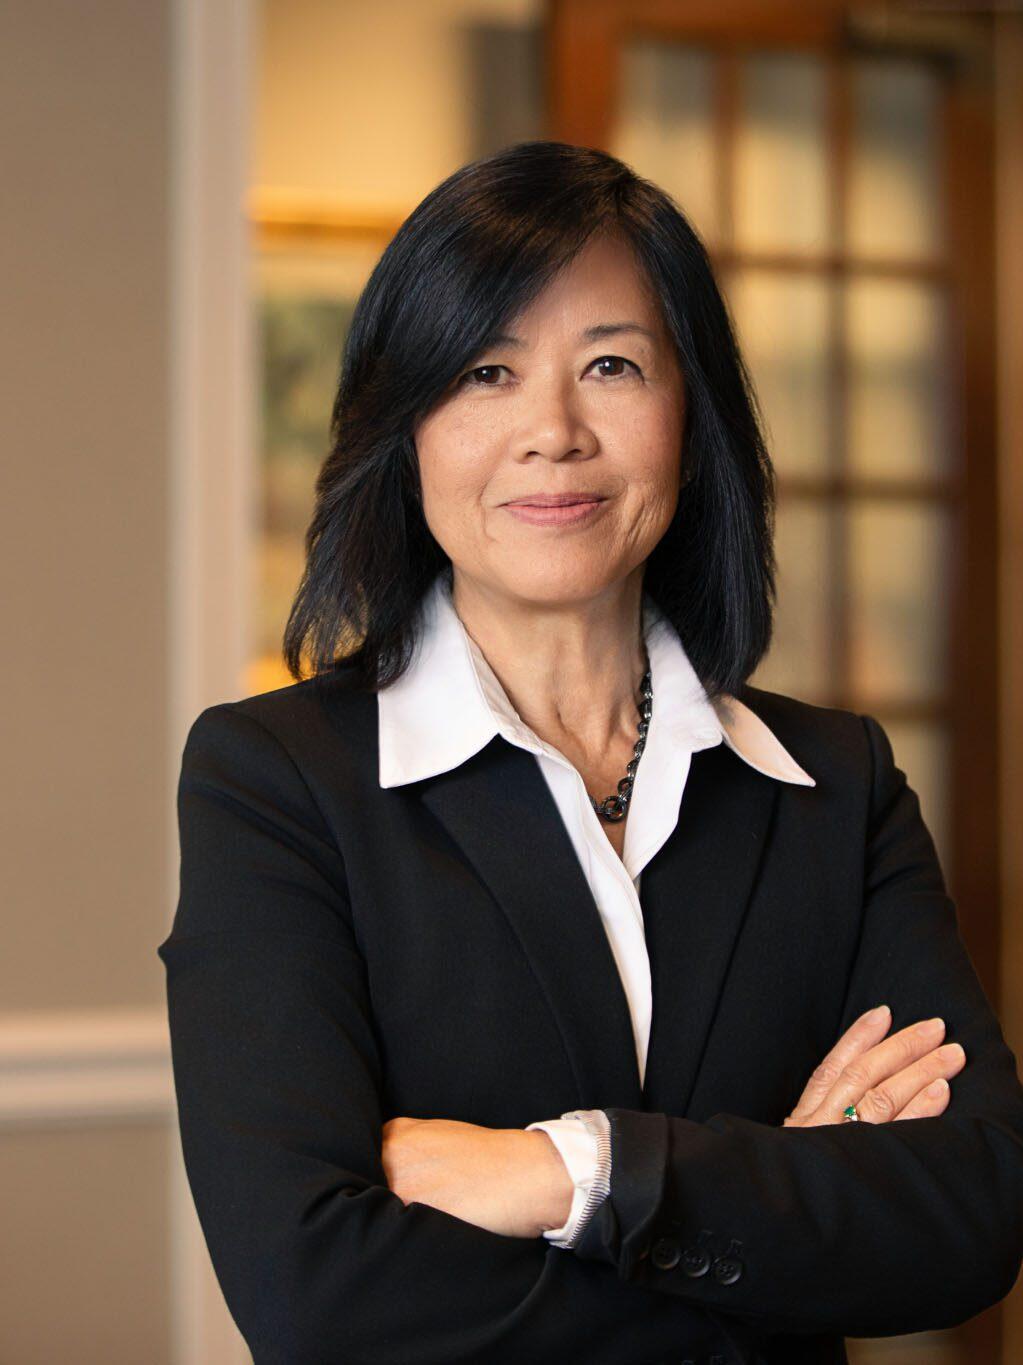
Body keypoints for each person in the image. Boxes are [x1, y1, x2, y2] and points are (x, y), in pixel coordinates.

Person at [158, 140, 1023, 1365]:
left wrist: (568, 1176)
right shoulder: (281, 781)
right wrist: (767, 1218)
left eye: (611, 364)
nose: (552, 432)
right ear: (403, 429)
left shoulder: (834, 786)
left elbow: (972, 1217)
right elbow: (316, 1299)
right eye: (485, 373)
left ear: (692, 411)